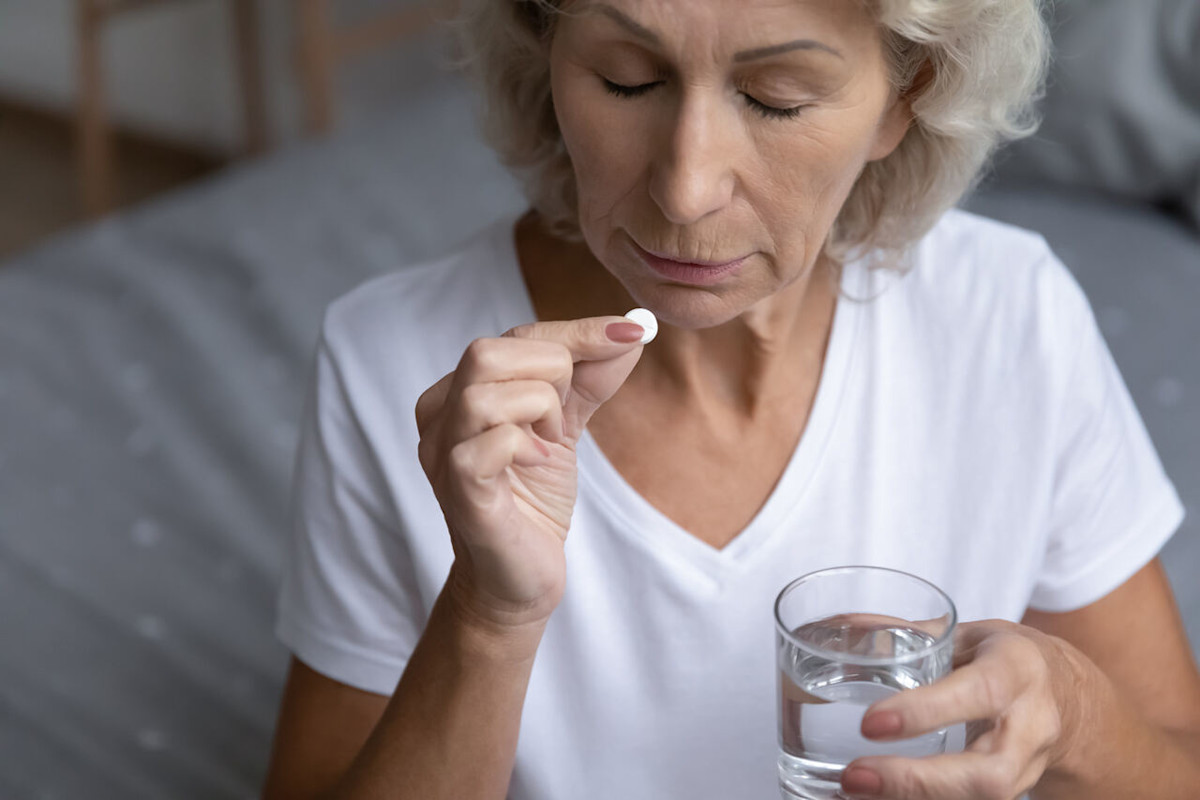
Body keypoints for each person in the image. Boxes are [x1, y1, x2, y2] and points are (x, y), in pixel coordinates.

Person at [262, 0, 1200, 798]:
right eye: (627, 80)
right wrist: (487, 617)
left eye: (775, 99)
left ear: (904, 98)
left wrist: (1071, 713)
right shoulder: (394, 363)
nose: (685, 188)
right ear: (545, 52)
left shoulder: (1010, 316)